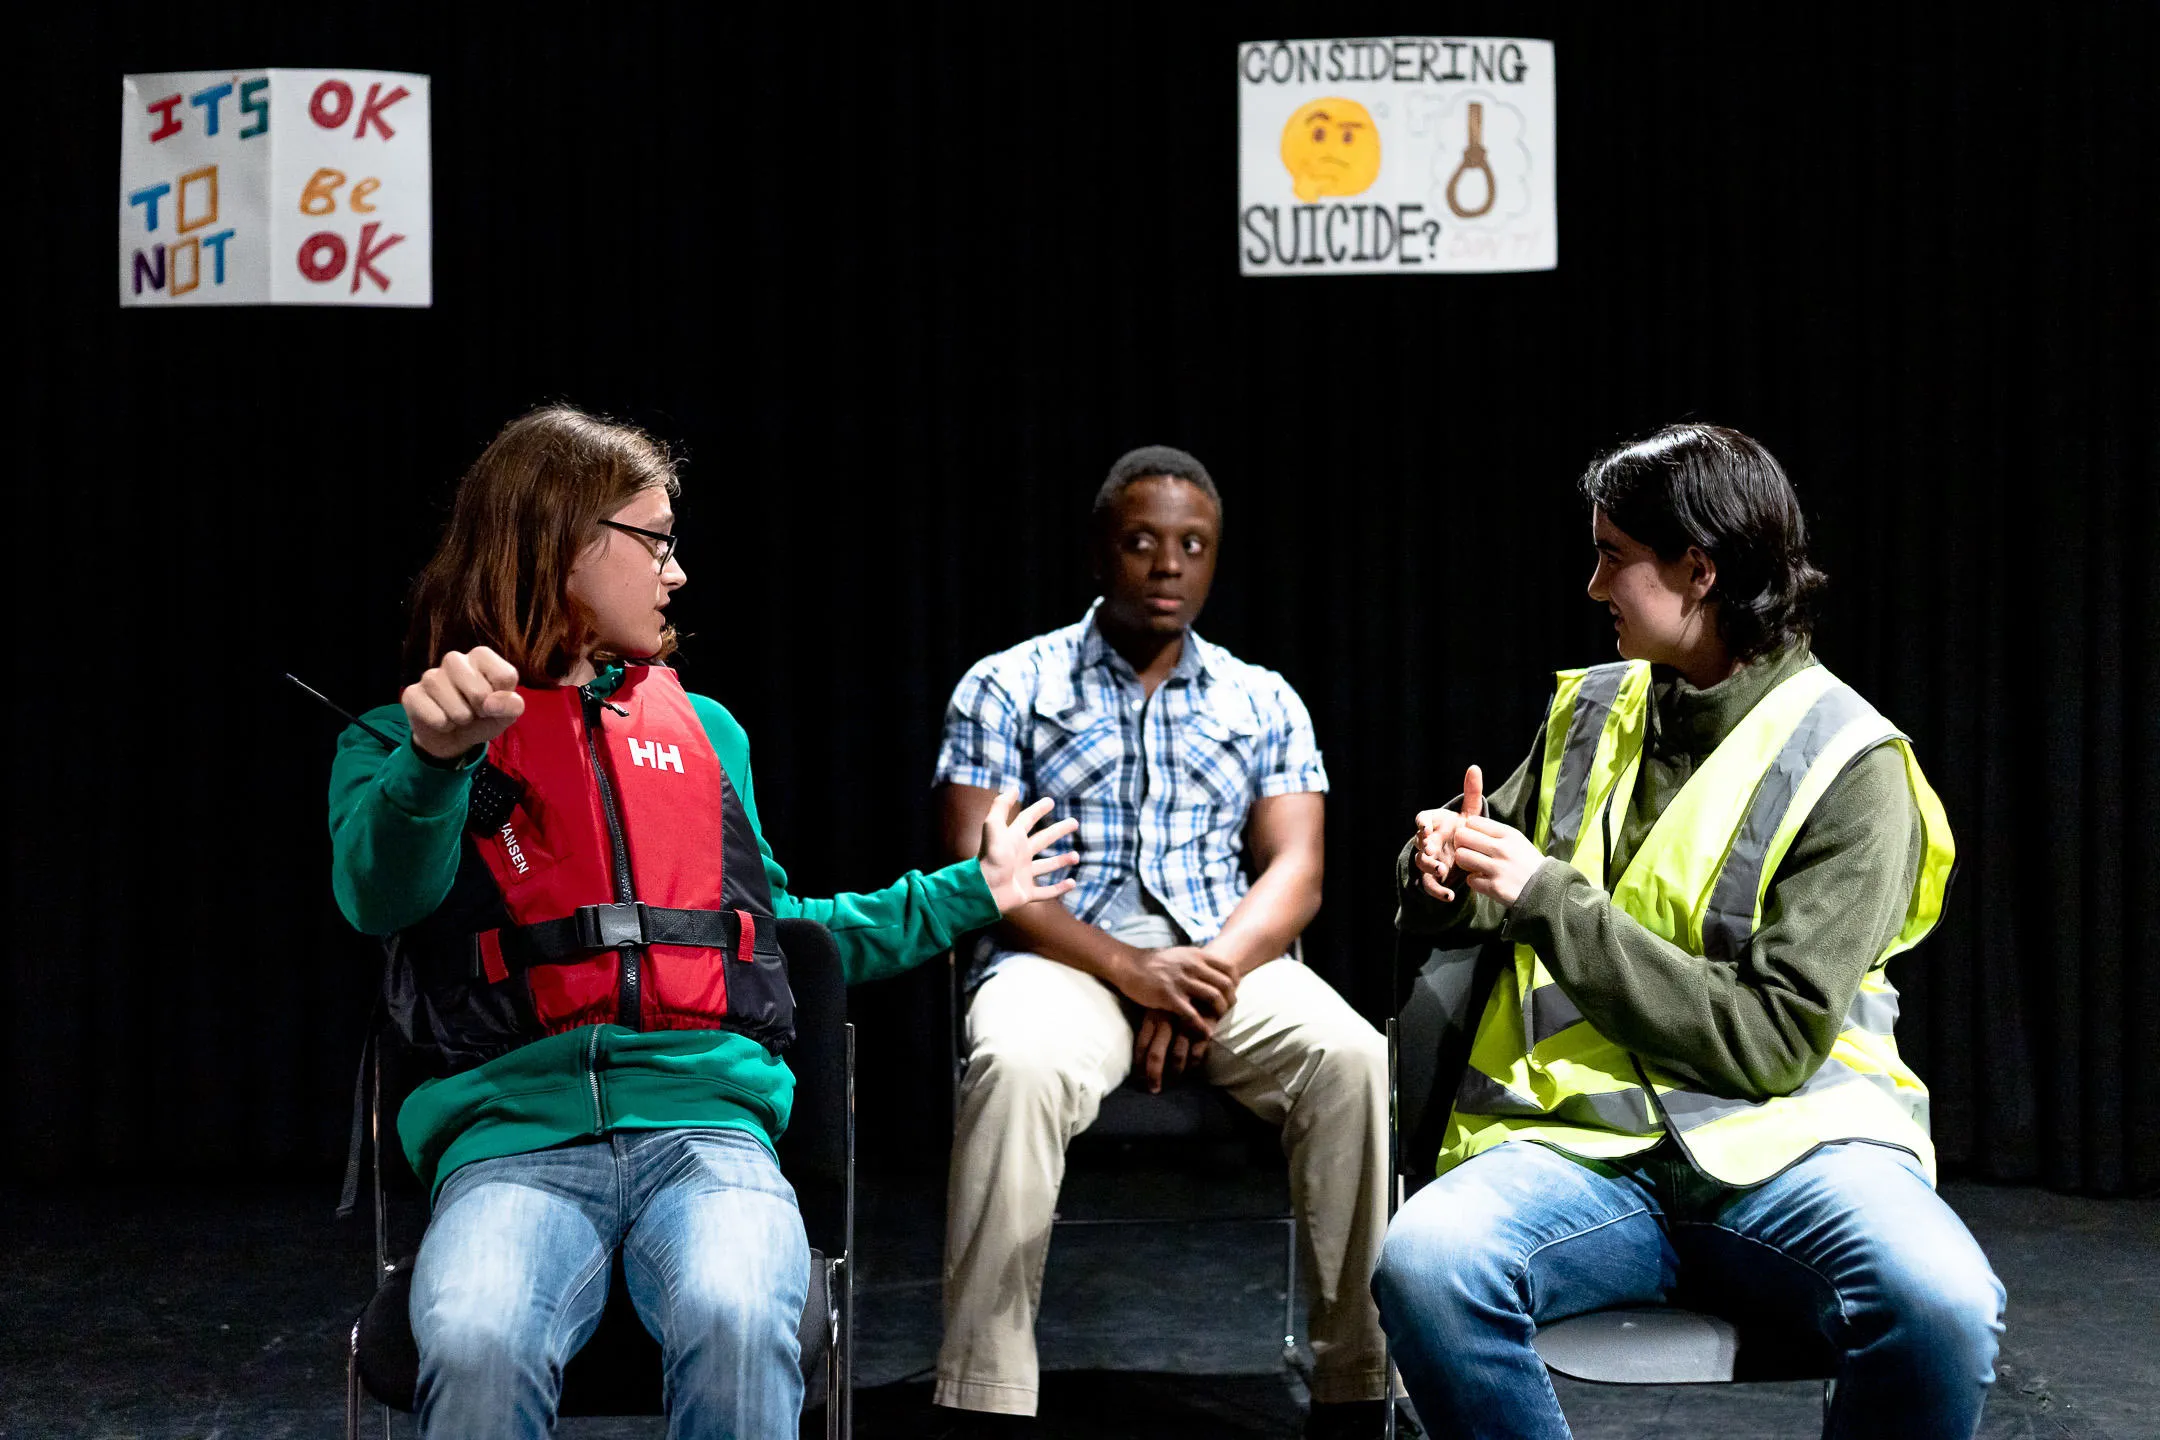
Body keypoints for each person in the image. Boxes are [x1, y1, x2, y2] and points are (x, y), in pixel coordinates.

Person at [327, 406, 1078, 1440]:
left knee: (737, 1313)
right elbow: (379, 895)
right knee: (475, 1335)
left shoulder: (707, 730)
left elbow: (786, 938)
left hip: (708, 1137)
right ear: (563, 542)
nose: (676, 573)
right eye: (656, 541)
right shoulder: (402, 740)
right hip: (511, 1148)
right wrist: (435, 768)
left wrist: (970, 891)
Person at [1373, 423, 2005, 1439]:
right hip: (1580, 1151)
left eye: (1613, 557)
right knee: (1428, 1263)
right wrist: (1445, 871)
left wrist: (1541, 894)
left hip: (1791, 1155)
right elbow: (1507, 872)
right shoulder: (1591, 712)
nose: (1591, 586)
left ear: (1699, 570)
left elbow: (1769, 1043)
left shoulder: (1854, 767)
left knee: (1942, 1304)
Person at [930, 446, 1395, 1438]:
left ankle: (1356, 1382)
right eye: (1143, 543)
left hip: (1224, 951)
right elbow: (987, 876)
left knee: (1353, 1058)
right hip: (1059, 951)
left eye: (1193, 546)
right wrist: (1131, 970)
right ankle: (985, 1396)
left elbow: (1297, 872)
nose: (1169, 565)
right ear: (1101, 552)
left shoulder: (1261, 697)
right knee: (1016, 1063)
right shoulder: (1007, 685)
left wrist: (1204, 978)